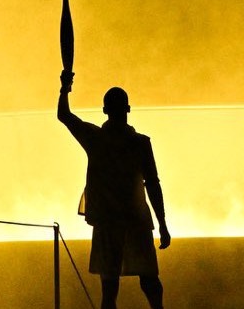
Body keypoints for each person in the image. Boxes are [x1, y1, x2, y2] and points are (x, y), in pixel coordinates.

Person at [57, 72, 170, 309]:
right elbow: (153, 184)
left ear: (105, 110)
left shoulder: (96, 139)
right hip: (136, 220)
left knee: (109, 288)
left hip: (108, 222)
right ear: (128, 109)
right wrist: (162, 224)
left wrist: (65, 87)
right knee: (149, 280)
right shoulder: (140, 143)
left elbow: (64, 115)